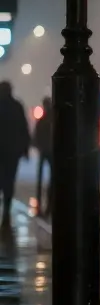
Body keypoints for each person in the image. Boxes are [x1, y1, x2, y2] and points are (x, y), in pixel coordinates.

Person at [0, 82, 31, 227]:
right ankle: (6, 209)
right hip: (12, 151)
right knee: (9, 180)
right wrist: (25, 149)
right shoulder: (17, 106)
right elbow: (23, 128)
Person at [33, 96, 52, 217]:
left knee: (40, 179)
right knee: (52, 180)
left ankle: (40, 204)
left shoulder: (42, 120)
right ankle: (49, 205)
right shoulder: (53, 119)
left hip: (44, 151)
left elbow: (36, 136)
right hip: (51, 152)